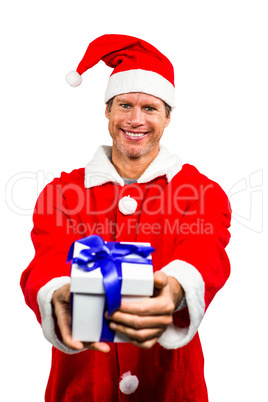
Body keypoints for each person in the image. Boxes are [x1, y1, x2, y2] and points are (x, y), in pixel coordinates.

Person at [20, 34, 231, 401]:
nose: (135, 119)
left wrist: (177, 289)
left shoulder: (201, 191)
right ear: (107, 111)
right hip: (82, 387)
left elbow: (206, 250)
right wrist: (56, 294)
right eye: (124, 105)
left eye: (150, 108)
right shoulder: (61, 192)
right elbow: (48, 256)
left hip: (171, 387)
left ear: (168, 116)